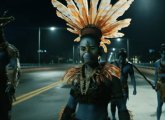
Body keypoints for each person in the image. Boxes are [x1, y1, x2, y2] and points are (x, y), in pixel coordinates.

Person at [51, 0, 134, 119]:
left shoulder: (110, 78)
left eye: (92, 48)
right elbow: (70, 106)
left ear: (100, 50)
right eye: (83, 48)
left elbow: (121, 109)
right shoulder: (77, 78)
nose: (87, 52)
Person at [0, 12, 20, 120]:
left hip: (3, 88)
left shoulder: (9, 50)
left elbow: (14, 69)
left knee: (4, 114)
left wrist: (12, 85)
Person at [110, 48, 136, 120]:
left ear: (125, 57)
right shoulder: (113, 64)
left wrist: (134, 88)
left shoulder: (129, 66)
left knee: (122, 106)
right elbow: (108, 77)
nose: (122, 58)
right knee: (113, 105)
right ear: (118, 57)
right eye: (120, 56)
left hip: (124, 89)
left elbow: (132, 78)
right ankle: (113, 117)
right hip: (114, 89)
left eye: (123, 56)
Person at [154, 43, 165, 120]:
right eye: (163, 53)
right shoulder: (157, 62)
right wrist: (155, 85)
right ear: (161, 53)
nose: (164, 55)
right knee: (160, 104)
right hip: (160, 85)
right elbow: (156, 74)